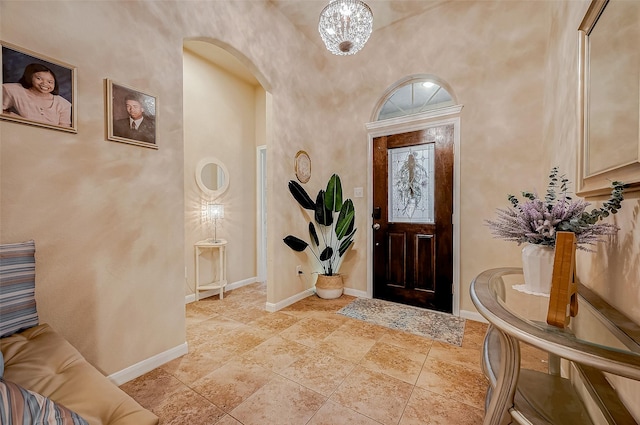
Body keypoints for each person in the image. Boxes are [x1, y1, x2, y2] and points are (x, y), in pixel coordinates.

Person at [2, 63, 72, 127]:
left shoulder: (64, 104)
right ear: (30, 77)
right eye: (39, 78)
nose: (45, 83)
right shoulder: (12, 90)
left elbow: (65, 129)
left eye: (50, 82)